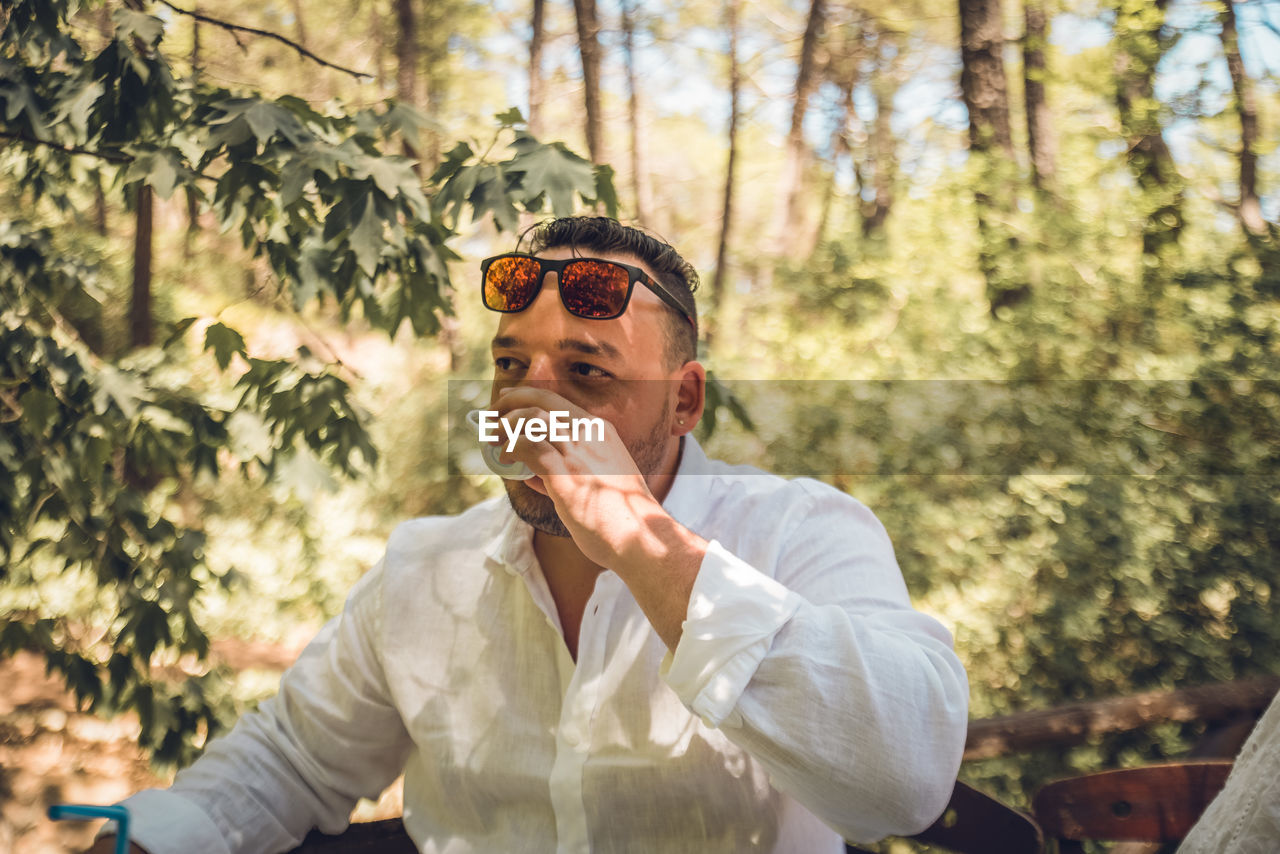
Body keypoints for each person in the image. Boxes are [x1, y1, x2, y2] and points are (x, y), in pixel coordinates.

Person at [87, 217, 969, 854]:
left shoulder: (798, 530)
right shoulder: (425, 569)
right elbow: (290, 762)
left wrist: (634, 535)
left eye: (585, 373)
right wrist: (159, 836)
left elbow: (904, 780)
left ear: (684, 399)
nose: (526, 403)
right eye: (512, 366)